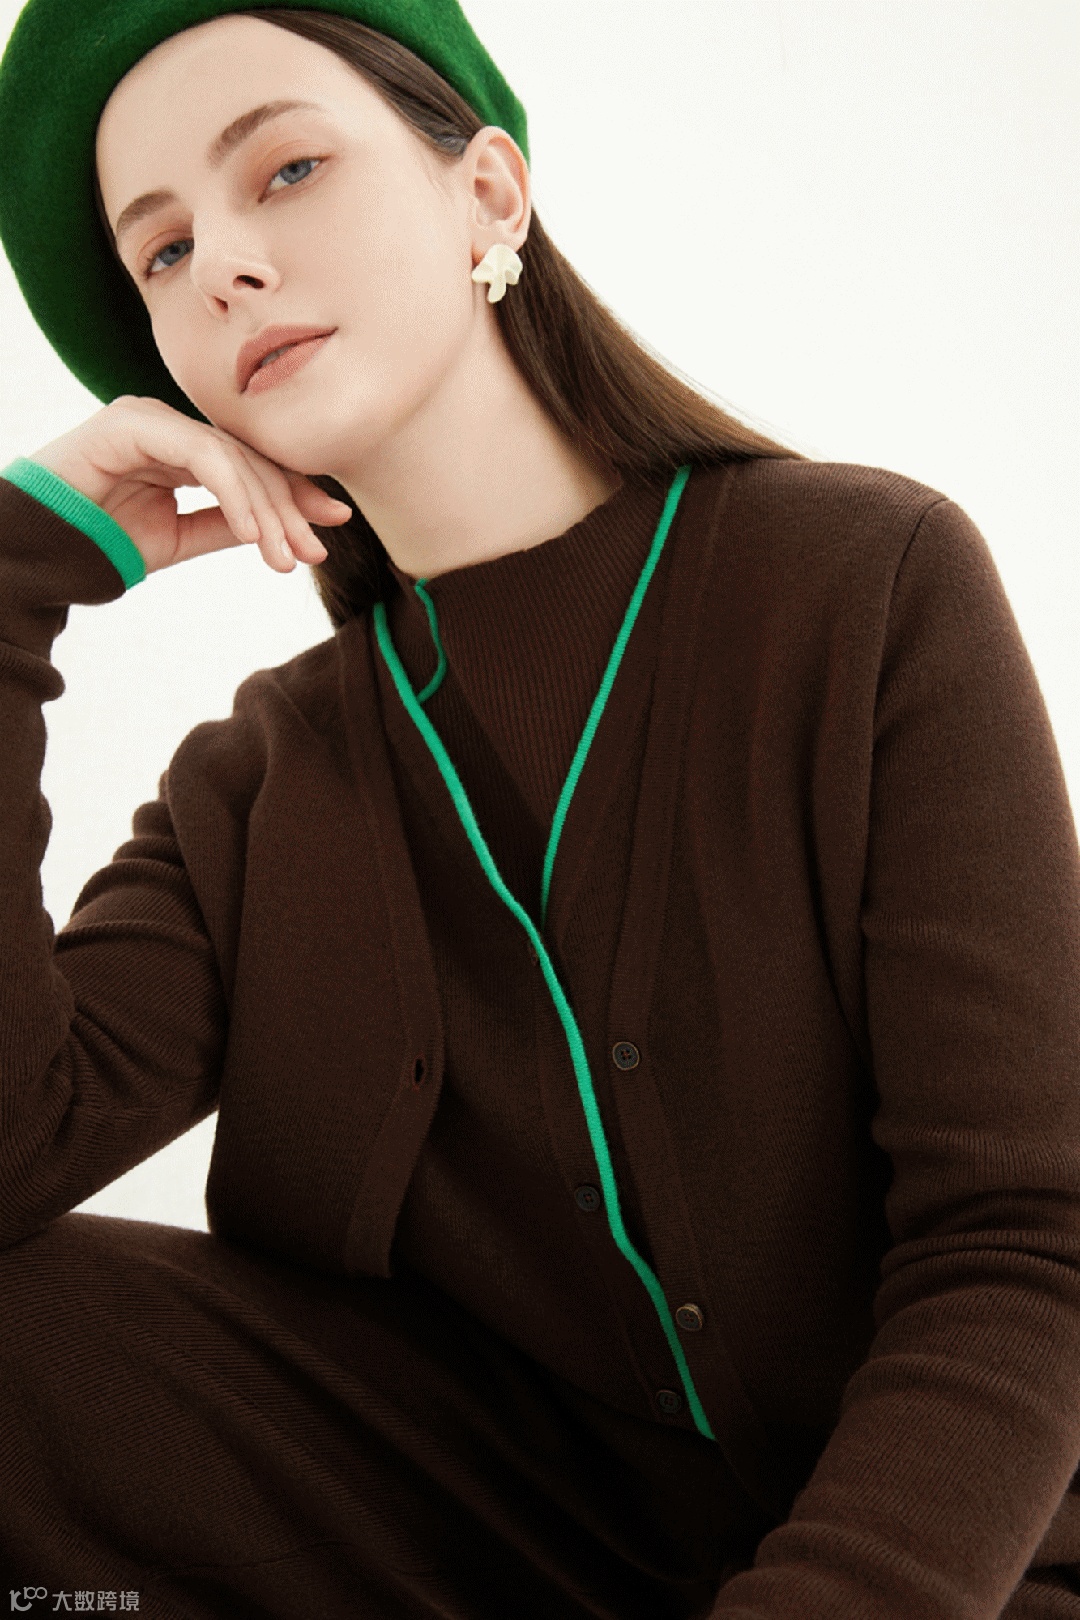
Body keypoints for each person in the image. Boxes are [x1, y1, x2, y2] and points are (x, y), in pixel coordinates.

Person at [0, 3, 1078, 1616]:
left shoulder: (862, 586)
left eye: (285, 169)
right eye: (160, 252)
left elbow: (1027, 1242)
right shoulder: (259, 782)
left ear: (490, 192)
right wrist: (10, 580)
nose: (220, 264)